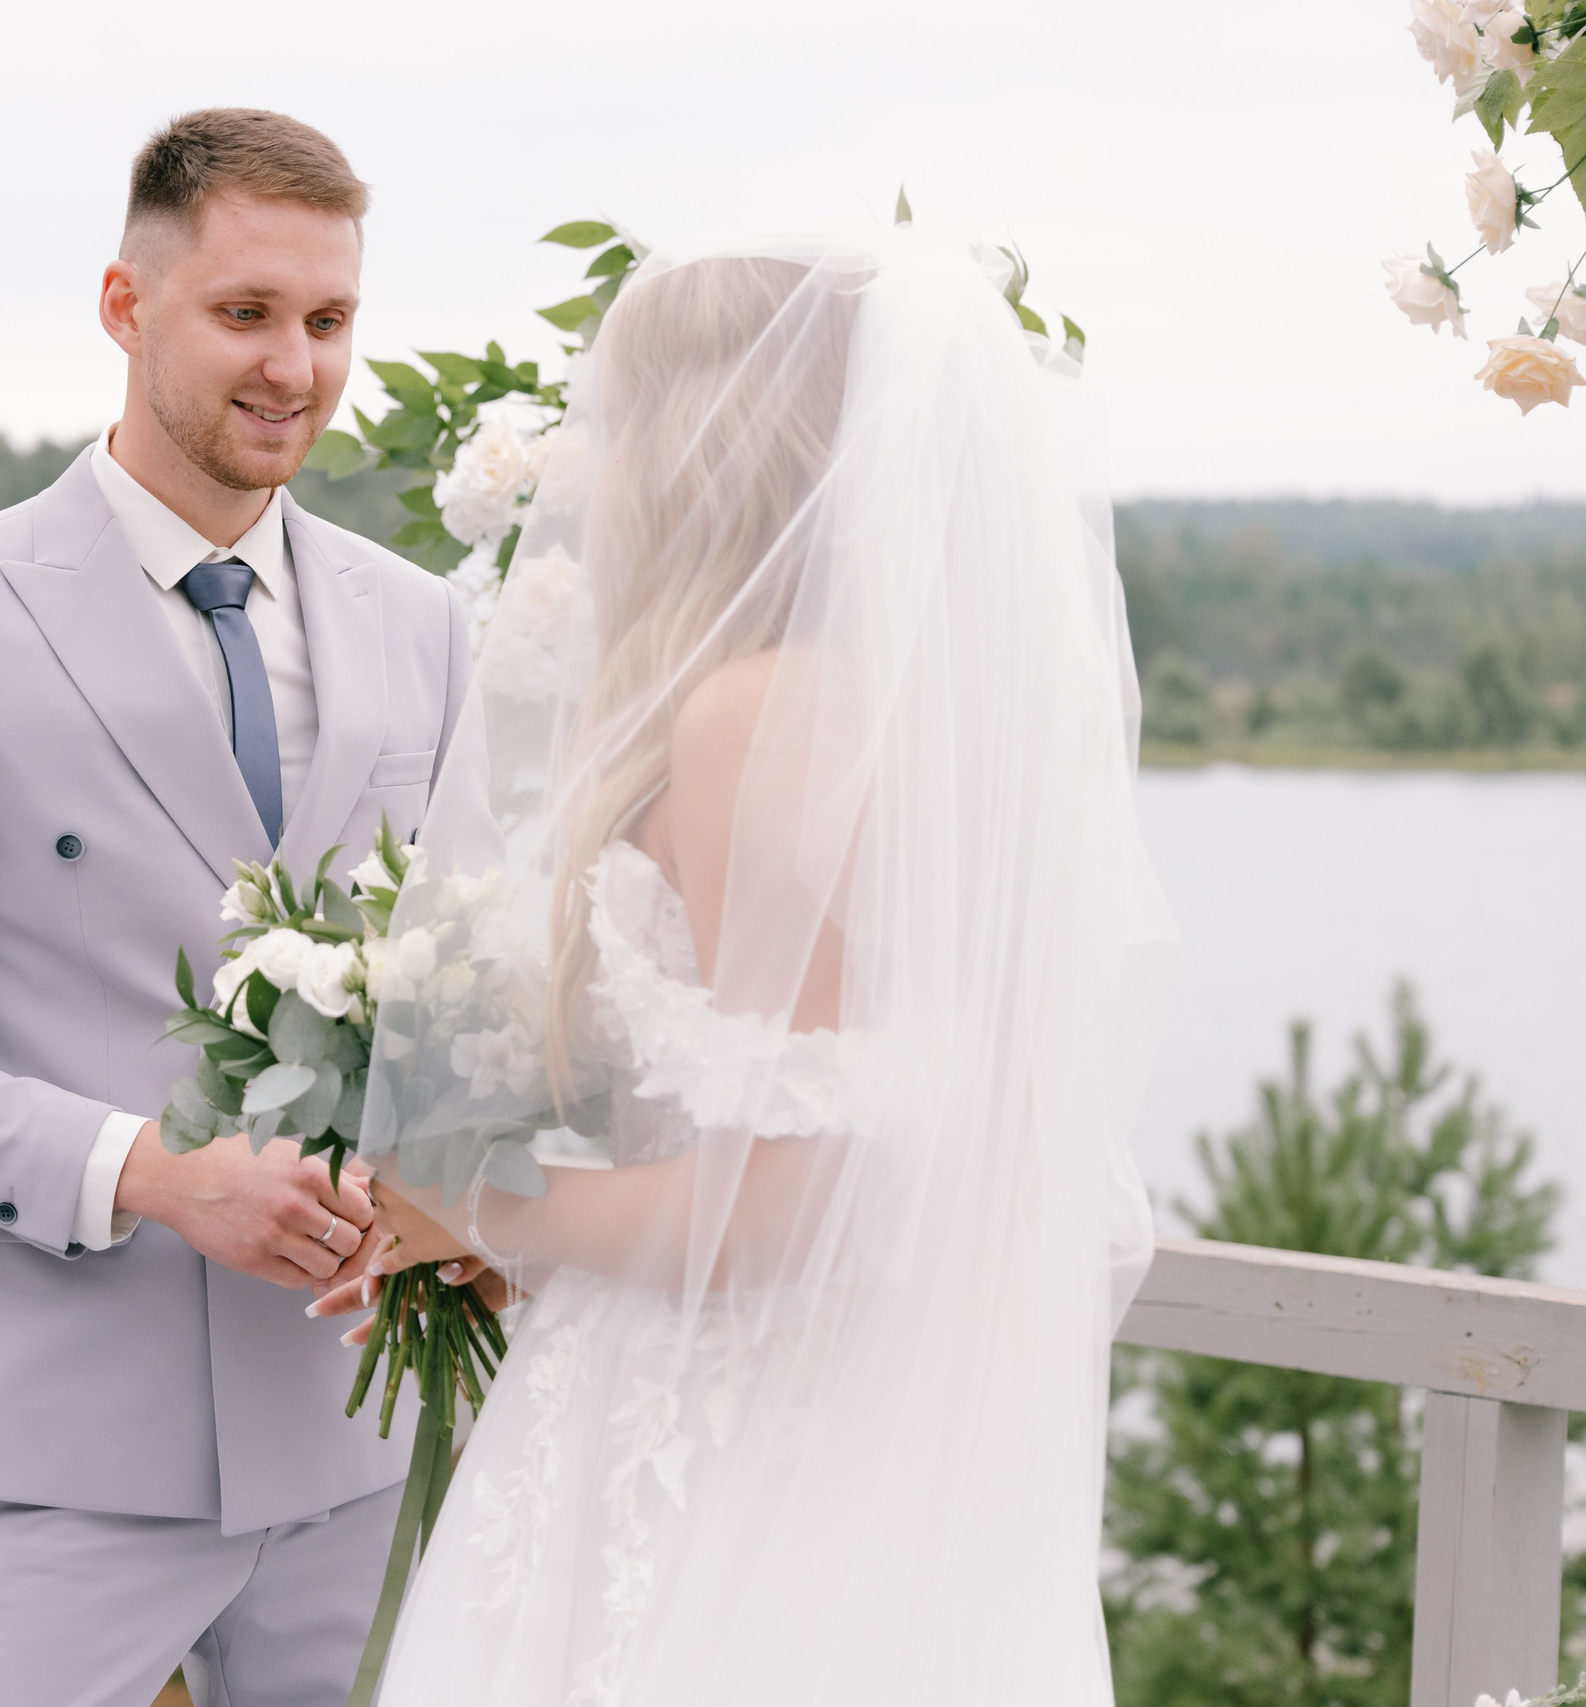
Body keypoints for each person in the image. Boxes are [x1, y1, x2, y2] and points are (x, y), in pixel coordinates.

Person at [309, 231, 1177, 1703]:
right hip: (775, 1400)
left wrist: (470, 1199)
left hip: (731, 1439)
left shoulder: (761, 718)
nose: (599, 465)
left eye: (624, 420)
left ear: (697, 445)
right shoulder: (868, 708)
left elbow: (801, 1191)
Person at [0, 109, 469, 1707]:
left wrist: (477, 1210)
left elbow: (472, 995)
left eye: (330, 320)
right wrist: (151, 1175)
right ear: (123, 304)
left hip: (362, 1424)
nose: (293, 364)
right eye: (246, 314)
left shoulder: (422, 626)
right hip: (68, 1447)